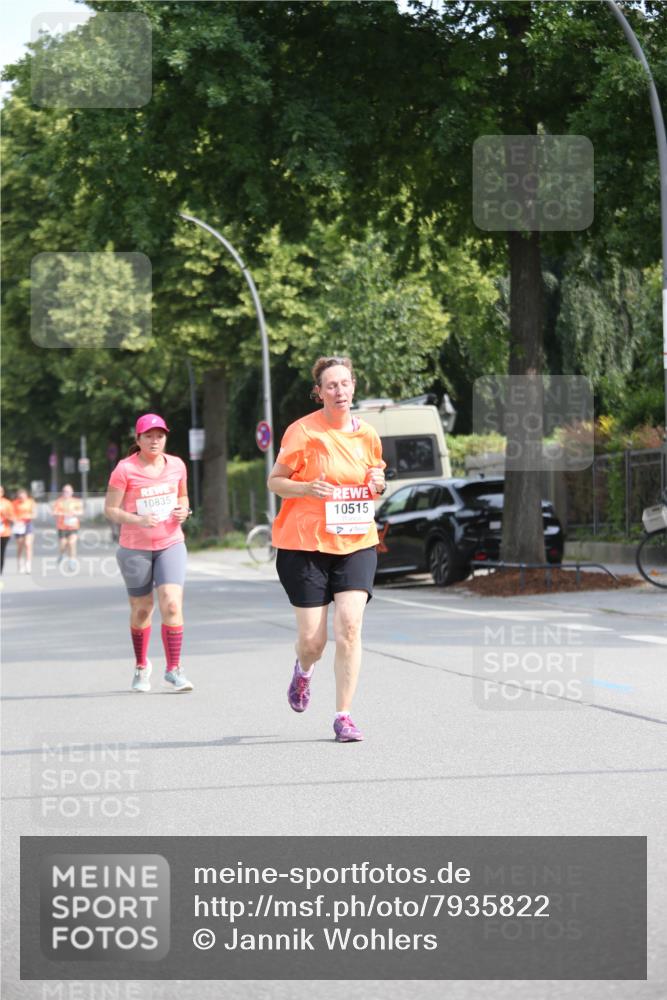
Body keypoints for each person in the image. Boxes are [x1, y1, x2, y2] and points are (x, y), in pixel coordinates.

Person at [267, 356, 386, 743]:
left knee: (350, 626)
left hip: (355, 542)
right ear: (318, 393)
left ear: (354, 387)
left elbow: (375, 478)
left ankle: (344, 716)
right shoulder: (302, 432)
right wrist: (305, 488)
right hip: (305, 545)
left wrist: (378, 481)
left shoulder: (367, 434)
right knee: (314, 642)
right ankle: (304, 670)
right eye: (330, 385)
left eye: (345, 383)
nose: (339, 391)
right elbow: (276, 481)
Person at [104, 413, 194, 694]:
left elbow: (183, 496)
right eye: (149, 436)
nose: (155, 441)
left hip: (170, 543)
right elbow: (111, 509)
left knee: (171, 605)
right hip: (135, 548)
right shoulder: (124, 469)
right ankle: (142, 666)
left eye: (160, 435)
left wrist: (184, 510)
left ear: (165, 437)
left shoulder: (177, 465)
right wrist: (137, 520)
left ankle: (174, 670)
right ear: (138, 439)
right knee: (142, 610)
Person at [51, 484, 84, 569]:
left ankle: (72, 561)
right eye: (65, 491)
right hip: (62, 527)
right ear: (62, 492)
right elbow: (54, 513)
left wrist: (74, 513)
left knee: (71, 543)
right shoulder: (59, 502)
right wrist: (63, 514)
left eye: (68, 491)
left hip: (73, 527)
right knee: (63, 545)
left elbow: (81, 512)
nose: (66, 493)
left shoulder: (76, 501)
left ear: (72, 492)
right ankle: (61, 554)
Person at [12, 488, 36, 574]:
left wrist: (28, 517)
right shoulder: (14, 503)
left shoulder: (31, 502)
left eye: (23, 497)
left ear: (26, 496)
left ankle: (28, 565)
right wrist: (16, 521)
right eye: (20, 497)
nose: (22, 499)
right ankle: (19, 563)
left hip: (28, 524)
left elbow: (34, 514)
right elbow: (12, 515)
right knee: (20, 546)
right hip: (18, 525)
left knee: (28, 544)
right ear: (18, 497)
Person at [0, 486, 14, 574]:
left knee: (1, 552)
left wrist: (6, 516)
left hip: (4, 532)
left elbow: (12, 518)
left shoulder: (7, 503)